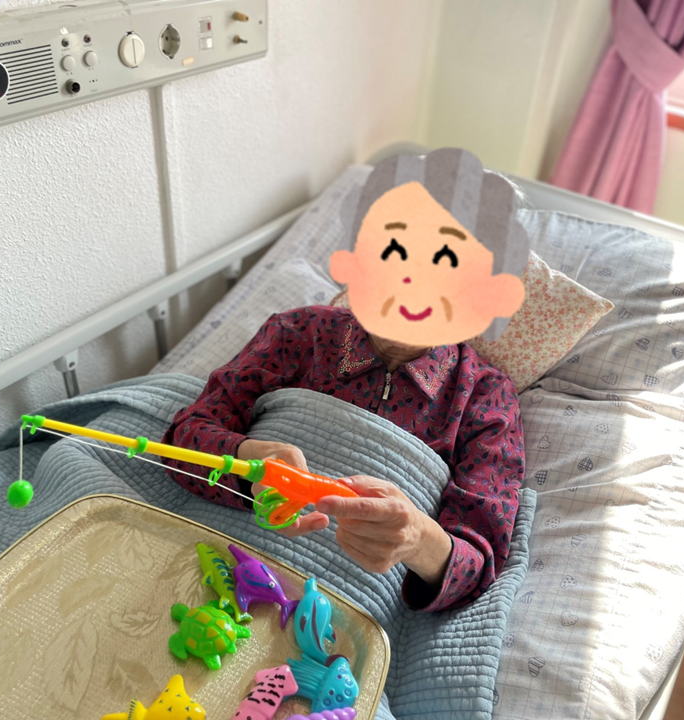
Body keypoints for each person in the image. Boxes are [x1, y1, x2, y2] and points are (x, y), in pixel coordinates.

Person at [163, 149, 529, 612]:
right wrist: (249, 462)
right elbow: (181, 441)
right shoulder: (296, 333)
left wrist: (417, 539)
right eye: (393, 251)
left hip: (333, 619)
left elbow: (480, 560)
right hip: (206, 561)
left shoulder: (485, 396)